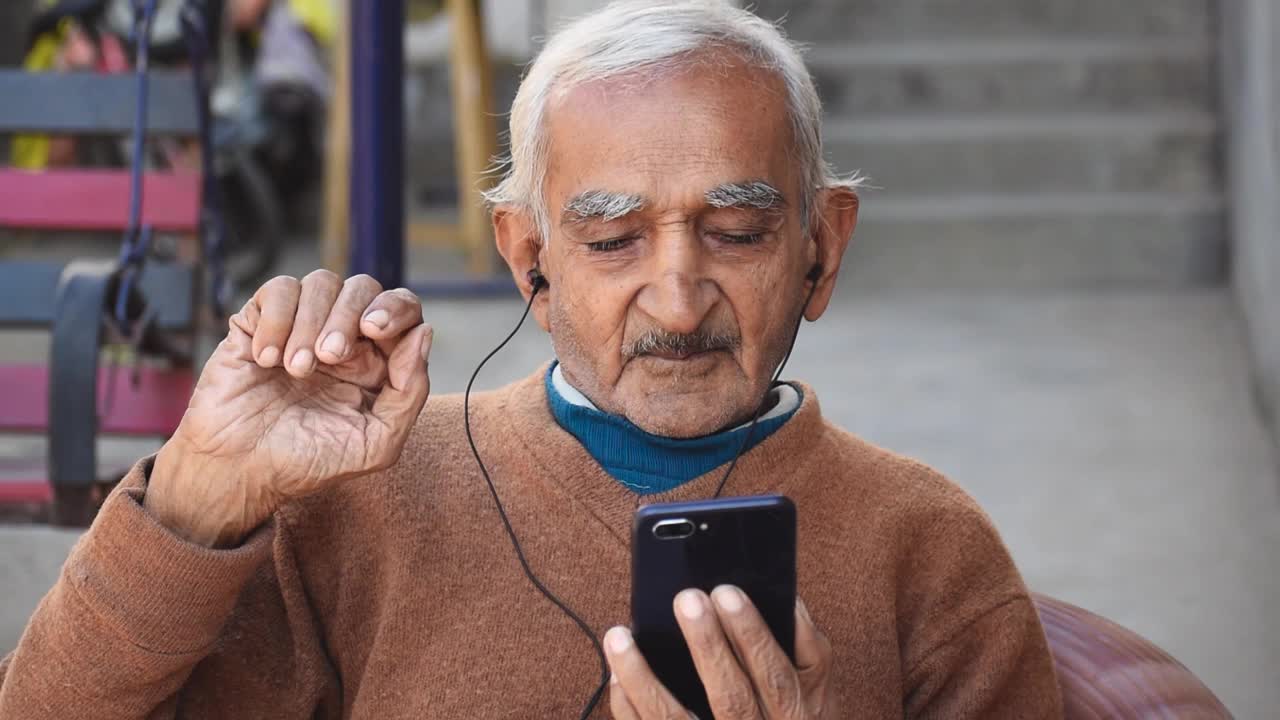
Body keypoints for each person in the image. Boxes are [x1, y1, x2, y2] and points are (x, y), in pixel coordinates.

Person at [0, 2, 1064, 717]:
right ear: (528, 261)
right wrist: (193, 498)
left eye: (735, 234)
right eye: (610, 241)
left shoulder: (927, 552)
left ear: (821, 252)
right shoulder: (359, 502)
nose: (678, 297)